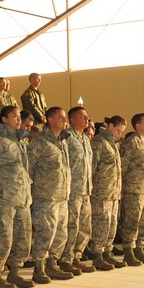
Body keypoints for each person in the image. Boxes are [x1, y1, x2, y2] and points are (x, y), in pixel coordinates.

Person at [0, 105, 33, 288]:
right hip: (3, 196)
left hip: (21, 196)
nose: (19, 119)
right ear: (3, 119)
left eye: (19, 116)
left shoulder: (19, 140)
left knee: (23, 235)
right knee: (2, 237)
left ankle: (14, 272)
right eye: (14, 116)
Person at [28, 107, 73, 283]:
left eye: (64, 117)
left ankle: (52, 264)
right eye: (60, 117)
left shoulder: (62, 141)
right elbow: (29, 168)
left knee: (61, 233)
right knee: (46, 232)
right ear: (50, 120)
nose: (64, 120)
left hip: (62, 195)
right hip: (45, 197)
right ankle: (39, 268)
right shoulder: (40, 142)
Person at [119, 112, 144, 266]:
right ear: (138, 125)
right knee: (132, 222)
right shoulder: (131, 142)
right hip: (133, 190)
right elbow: (122, 167)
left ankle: (140, 249)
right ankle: (129, 251)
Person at [89, 116, 126, 271]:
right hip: (101, 193)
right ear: (110, 126)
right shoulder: (99, 143)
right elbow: (92, 167)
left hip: (113, 192)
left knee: (111, 225)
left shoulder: (113, 144)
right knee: (101, 224)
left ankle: (107, 252)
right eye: (118, 130)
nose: (118, 134)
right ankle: (97, 255)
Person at [63, 106, 93, 274]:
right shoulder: (67, 137)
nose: (86, 119)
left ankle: (77, 257)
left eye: (87, 116)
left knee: (84, 227)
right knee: (72, 226)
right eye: (82, 116)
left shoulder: (86, 140)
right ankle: (66, 259)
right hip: (73, 190)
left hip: (86, 189)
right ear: (72, 120)